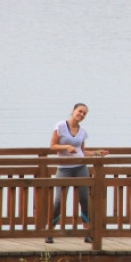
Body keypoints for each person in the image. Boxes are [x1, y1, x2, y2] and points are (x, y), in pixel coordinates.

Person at [48, 103, 107, 244]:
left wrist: (97, 153)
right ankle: (50, 232)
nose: (81, 115)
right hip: (64, 169)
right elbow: (52, 146)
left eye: (84, 113)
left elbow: (82, 151)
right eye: (80, 111)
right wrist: (67, 147)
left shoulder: (82, 131)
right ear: (73, 111)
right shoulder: (60, 126)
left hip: (81, 167)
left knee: (84, 200)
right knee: (59, 201)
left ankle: (87, 233)